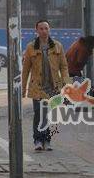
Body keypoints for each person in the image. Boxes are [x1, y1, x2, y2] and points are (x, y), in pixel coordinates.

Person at [22, 20, 70, 152]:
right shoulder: (31, 47)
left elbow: (64, 66)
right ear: (36, 30)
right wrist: (23, 88)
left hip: (53, 87)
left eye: (46, 28)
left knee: (48, 114)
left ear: (49, 30)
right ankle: (38, 140)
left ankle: (47, 141)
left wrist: (66, 83)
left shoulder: (57, 46)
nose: (44, 31)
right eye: (41, 28)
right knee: (38, 113)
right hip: (37, 87)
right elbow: (26, 70)